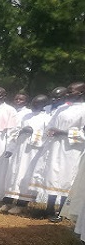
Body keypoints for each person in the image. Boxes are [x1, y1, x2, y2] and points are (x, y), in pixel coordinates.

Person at [30, 82, 85, 222]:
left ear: (81, 92)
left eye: (71, 91)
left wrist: (64, 132)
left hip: (71, 150)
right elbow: (50, 125)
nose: (67, 94)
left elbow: (83, 133)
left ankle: (62, 211)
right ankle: (49, 208)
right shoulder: (61, 108)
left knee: (66, 179)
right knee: (52, 176)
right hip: (54, 147)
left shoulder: (83, 109)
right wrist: (50, 131)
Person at [0, 94, 49, 215]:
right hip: (19, 148)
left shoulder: (47, 118)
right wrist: (11, 148)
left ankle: (22, 204)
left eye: (38, 103)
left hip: (33, 152)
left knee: (25, 176)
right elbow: (15, 130)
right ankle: (8, 201)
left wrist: (33, 132)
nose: (34, 105)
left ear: (43, 105)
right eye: (33, 102)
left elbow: (47, 136)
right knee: (13, 173)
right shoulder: (25, 116)